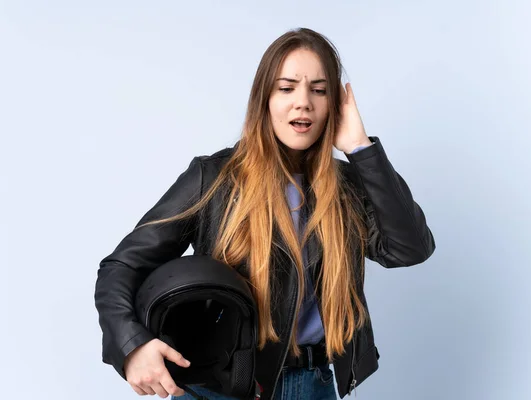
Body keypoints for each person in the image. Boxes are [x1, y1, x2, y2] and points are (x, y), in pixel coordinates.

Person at [94, 27, 435, 400]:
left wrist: (360, 148)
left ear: (335, 104)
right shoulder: (215, 178)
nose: (303, 102)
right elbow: (121, 267)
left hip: (318, 384)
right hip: (226, 386)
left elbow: (409, 248)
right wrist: (132, 346)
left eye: (319, 90)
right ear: (264, 99)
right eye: (286, 88)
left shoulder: (351, 185)